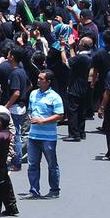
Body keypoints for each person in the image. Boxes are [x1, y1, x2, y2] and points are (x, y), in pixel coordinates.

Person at [26, 69, 63, 199]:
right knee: (33, 164)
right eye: (38, 78)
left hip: (48, 137)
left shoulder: (55, 97)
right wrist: (32, 117)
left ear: (48, 82)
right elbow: (30, 109)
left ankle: (54, 189)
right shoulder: (33, 94)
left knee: (52, 164)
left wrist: (42, 121)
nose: (38, 80)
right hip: (33, 136)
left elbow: (60, 115)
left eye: (41, 79)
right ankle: (34, 190)